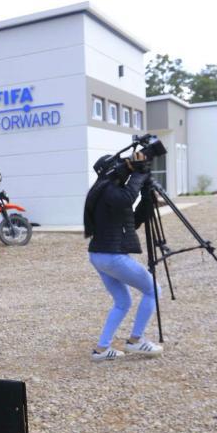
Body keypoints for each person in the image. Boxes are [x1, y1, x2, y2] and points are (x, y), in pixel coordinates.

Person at [83, 151, 163, 361]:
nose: (124, 168)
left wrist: (147, 200)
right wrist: (140, 174)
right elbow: (127, 197)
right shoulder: (109, 190)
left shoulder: (105, 191)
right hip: (111, 256)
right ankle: (136, 341)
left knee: (122, 302)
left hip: (99, 256)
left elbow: (132, 222)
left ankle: (101, 350)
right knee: (153, 290)